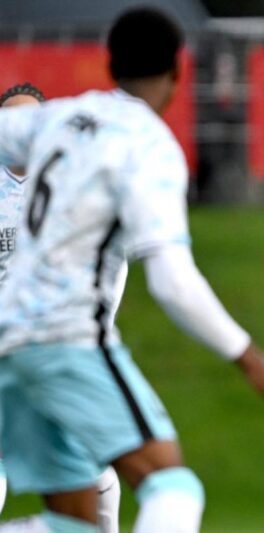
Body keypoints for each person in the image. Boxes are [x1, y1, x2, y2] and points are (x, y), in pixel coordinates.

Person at [0, 8, 264, 533]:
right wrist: (249, 357)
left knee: (78, 520)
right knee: (172, 489)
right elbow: (171, 279)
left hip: (11, 341)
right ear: (179, 72)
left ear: (110, 63)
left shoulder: (58, 117)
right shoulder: (149, 146)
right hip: (67, 338)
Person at [0, 83, 123, 533]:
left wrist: (98, 326)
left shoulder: (71, 182)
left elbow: (114, 258)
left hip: (59, 344)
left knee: (90, 460)